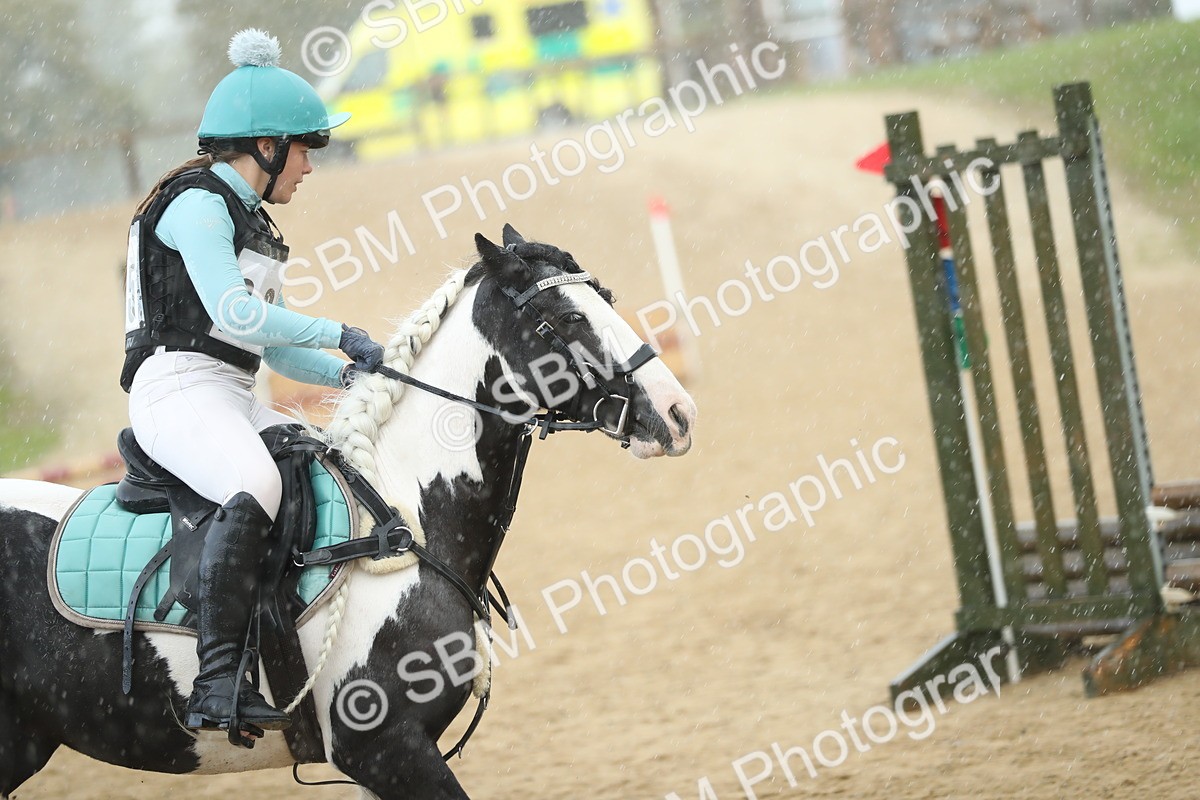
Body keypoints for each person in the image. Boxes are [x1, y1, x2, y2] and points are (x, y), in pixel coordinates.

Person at [121, 29, 385, 742]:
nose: (309, 164)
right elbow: (234, 312)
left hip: (234, 392)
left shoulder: (251, 220)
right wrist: (337, 328)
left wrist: (358, 371)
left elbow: (274, 351)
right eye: (306, 147)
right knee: (255, 485)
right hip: (175, 389)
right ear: (266, 144)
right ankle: (214, 686)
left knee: (328, 464)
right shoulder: (198, 206)